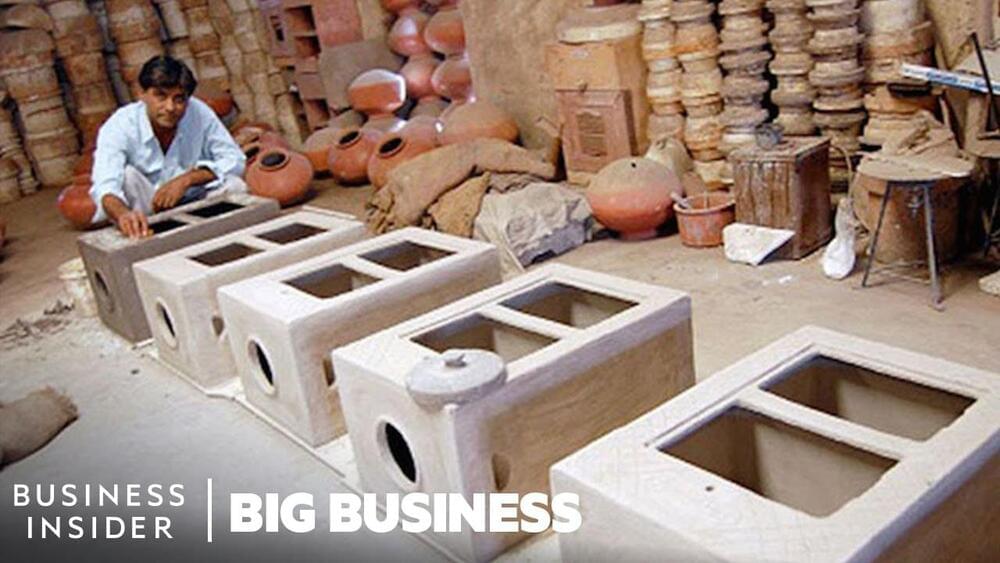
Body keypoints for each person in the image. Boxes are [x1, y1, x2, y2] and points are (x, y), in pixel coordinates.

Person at [89, 55, 247, 238]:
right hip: (147, 207)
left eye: (179, 99)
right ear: (141, 94)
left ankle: (211, 238)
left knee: (235, 186)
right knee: (127, 177)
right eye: (161, 96)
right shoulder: (120, 125)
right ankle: (144, 235)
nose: (171, 107)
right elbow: (106, 186)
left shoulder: (199, 112)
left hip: (193, 200)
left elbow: (235, 159)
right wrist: (123, 214)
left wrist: (188, 179)